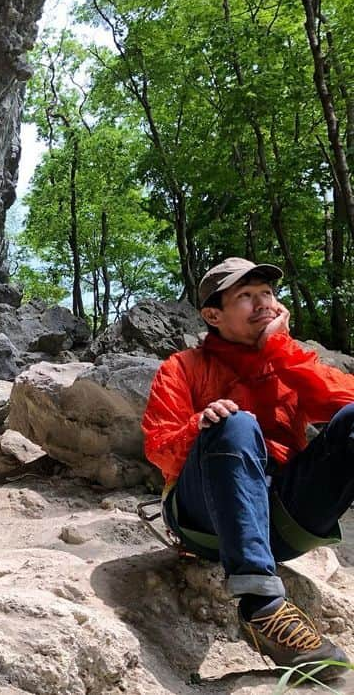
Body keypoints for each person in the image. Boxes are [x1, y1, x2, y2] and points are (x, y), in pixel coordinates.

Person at [141, 257, 354, 678]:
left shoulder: (285, 359)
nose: (263, 305)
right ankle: (262, 607)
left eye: (267, 294)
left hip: (285, 523)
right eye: (245, 297)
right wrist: (199, 425)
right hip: (208, 524)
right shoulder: (181, 368)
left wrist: (280, 349)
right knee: (232, 422)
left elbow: (343, 402)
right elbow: (158, 447)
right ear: (213, 315)